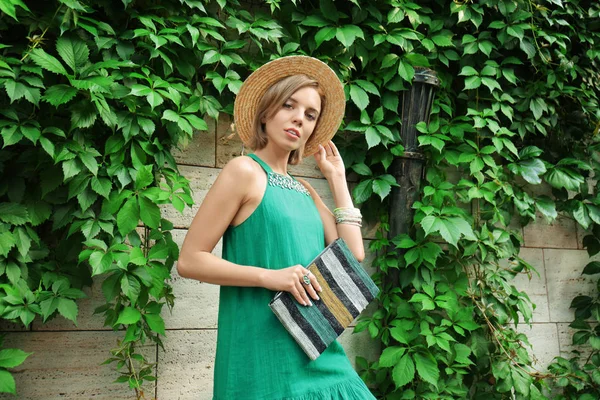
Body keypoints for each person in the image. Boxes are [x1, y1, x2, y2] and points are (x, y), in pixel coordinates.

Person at [177, 56, 376, 400]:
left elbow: (353, 253)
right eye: (289, 105)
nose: (299, 118)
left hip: (315, 345)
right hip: (262, 349)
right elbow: (190, 260)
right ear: (266, 112)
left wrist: (338, 179)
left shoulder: (306, 190)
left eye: (310, 115)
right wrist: (270, 277)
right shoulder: (244, 172)